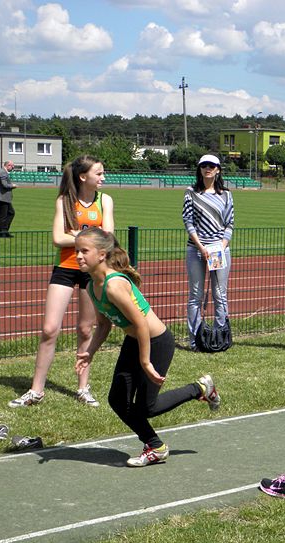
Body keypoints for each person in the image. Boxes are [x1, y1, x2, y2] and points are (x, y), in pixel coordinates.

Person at [74, 227, 220, 467]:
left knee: (147, 407)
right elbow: (103, 324)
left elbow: (141, 323)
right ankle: (155, 446)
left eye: (84, 251)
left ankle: (200, 388)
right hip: (134, 342)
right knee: (118, 400)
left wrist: (145, 362)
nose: (79, 256)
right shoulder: (92, 286)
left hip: (157, 342)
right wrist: (89, 352)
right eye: (77, 251)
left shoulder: (114, 285)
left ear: (101, 254)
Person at [8, 155, 114, 408]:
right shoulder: (64, 201)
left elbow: (108, 237)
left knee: (86, 329)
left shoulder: (105, 200)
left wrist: (76, 236)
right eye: (99, 173)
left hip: (92, 271)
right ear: (83, 177)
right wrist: (88, 238)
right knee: (49, 329)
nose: (103, 177)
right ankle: (36, 390)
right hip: (65, 269)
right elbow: (57, 239)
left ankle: (83, 388)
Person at [182, 154, 235, 350]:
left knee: (220, 295)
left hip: (219, 249)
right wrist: (200, 246)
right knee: (195, 295)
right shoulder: (191, 193)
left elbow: (229, 223)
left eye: (211, 166)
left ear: (218, 169)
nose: (207, 168)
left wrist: (221, 246)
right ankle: (196, 339)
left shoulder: (226, 194)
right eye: (204, 165)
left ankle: (220, 337)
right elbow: (188, 221)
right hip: (196, 250)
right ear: (199, 169)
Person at [0, 160, 17, 238]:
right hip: (2, 197)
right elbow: (5, 185)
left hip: (2, 197)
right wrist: (12, 185)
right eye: (12, 166)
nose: (13, 168)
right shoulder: (3, 172)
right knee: (3, 215)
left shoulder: (1, 171)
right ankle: (2, 232)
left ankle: (4, 231)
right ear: (8, 165)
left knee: (10, 213)